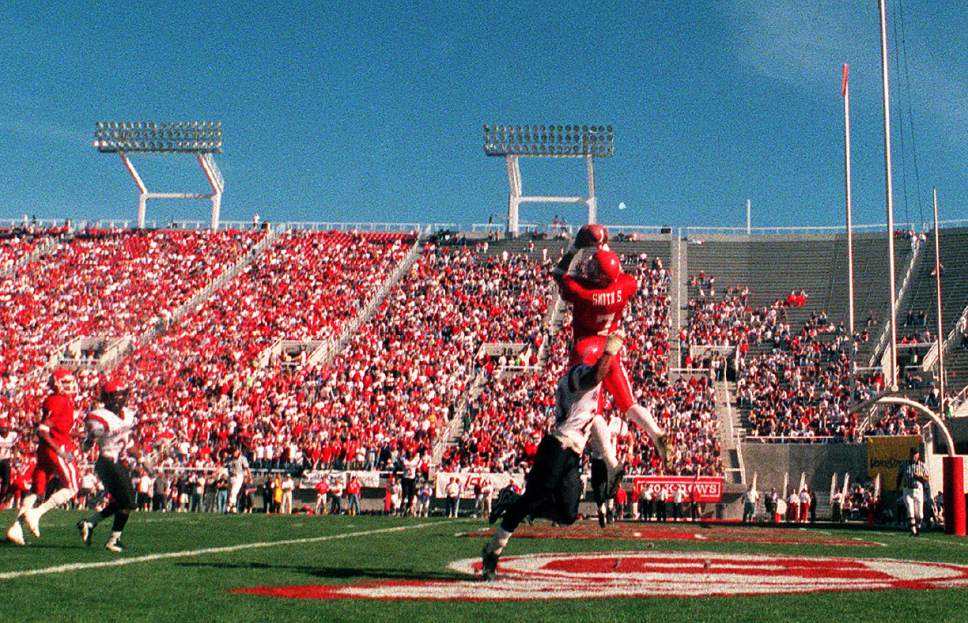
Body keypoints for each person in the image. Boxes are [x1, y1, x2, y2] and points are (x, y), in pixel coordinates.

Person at [482, 331, 623, 580]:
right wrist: (610, 350)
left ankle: (514, 501)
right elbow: (597, 374)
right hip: (558, 446)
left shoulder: (577, 375)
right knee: (535, 497)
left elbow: (597, 415)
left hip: (573, 452)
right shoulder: (577, 374)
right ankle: (493, 551)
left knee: (568, 515)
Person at [551, 224, 672, 486]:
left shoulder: (583, 290)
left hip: (586, 348)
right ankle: (656, 432)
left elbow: (558, 273)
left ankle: (611, 461)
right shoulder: (626, 286)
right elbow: (615, 272)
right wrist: (602, 244)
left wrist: (575, 248)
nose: (590, 265)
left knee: (593, 412)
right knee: (628, 403)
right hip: (611, 346)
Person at [7, 369, 80, 546]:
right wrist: (60, 450)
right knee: (72, 488)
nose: (70, 385)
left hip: (47, 449)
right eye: (66, 382)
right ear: (57, 383)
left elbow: (53, 426)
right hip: (57, 446)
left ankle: (16, 528)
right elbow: (43, 429)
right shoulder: (60, 401)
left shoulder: (54, 400)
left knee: (37, 489)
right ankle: (37, 513)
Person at [76, 380, 139, 553]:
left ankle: (90, 523)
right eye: (118, 394)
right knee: (127, 502)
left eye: (123, 394)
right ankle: (112, 541)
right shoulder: (98, 415)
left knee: (123, 502)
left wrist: (142, 458)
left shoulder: (127, 414)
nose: (122, 398)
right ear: (109, 397)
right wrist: (91, 438)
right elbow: (85, 446)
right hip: (106, 462)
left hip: (118, 461)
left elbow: (129, 441)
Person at [897, 446, 929, 536]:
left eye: (915, 454)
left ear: (918, 455)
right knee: (910, 510)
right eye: (912, 454)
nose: (913, 456)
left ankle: (917, 529)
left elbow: (927, 479)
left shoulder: (922, 465)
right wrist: (897, 488)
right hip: (907, 489)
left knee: (919, 514)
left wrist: (919, 477)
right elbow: (899, 476)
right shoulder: (904, 464)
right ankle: (914, 531)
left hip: (918, 490)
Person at [227, 447, 250, 513]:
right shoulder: (230, 458)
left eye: (235, 451)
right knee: (231, 493)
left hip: (238, 476)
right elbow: (225, 465)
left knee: (233, 492)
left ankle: (229, 506)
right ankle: (233, 508)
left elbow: (247, 467)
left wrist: (249, 476)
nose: (234, 453)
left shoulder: (242, 458)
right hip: (231, 476)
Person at [0, 420, 18, 505]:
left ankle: (1, 499)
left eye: (5, 429)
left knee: (6, 481)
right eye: (2, 429)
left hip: (6, 460)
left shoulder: (12, 436)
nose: (4, 431)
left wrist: (14, 458)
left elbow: (14, 447)